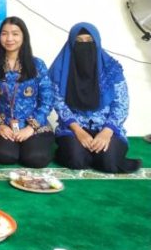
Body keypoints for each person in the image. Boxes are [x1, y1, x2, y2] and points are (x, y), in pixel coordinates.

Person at [49, 22, 140, 173]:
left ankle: (96, 154)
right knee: (76, 160)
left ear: (97, 43)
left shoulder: (111, 69)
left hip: (107, 127)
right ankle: (78, 152)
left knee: (109, 162)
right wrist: (78, 131)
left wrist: (107, 131)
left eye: (89, 41)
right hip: (73, 127)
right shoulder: (60, 69)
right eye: (79, 41)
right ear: (71, 44)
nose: (84, 45)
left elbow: (121, 103)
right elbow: (58, 102)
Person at [0, 17, 55, 168]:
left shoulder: (37, 65)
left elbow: (47, 99)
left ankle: (31, 145)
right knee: (5, 156)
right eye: (4, 34)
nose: (9, 39)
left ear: (23, 37)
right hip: (5, 125)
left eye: (15, 34)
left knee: (35, 158)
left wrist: (30, 128)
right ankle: (12, 145)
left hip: (34, 125)